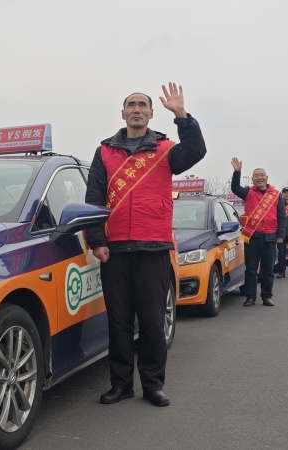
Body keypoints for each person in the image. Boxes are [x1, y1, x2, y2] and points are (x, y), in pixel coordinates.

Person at [85, 83, 206, 408]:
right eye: (131, 105)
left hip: (153, 246)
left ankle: (153, 385)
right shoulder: (104, 152)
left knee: (152, 322)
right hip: (114, 250)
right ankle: (121, 385)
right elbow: (94, 198)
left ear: (151, 113)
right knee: (119, 322)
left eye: (142, 105)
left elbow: (196, 151)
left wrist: (182, 116)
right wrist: (96, 240)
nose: (136, 109)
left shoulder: (166, 150)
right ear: (123, 113)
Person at [230, 159, 286, 307]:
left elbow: (281, 217)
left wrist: (280, 235)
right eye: (256, 176)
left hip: (270, 237)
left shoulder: (276, 195)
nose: (259, 178)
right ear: (252, 179)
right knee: (251, 269)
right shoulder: (248, 192)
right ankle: (250, 297)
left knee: (268, 269)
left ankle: (267, 296)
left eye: (262, 175)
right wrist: (237, 172)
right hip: (252, 237)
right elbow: (235, 188)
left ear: (267, 177)